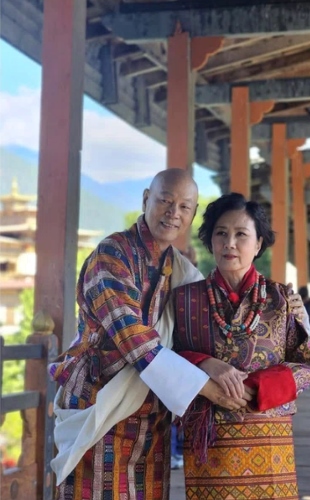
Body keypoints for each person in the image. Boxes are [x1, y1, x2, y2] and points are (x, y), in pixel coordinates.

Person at [48, 169, 248, 500]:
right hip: (100, 405)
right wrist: (206, 387)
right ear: (146, 200)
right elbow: (133, 338)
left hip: (152, 416)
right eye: (165, 201)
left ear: (193, 214)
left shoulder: (180, 270)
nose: (174, 213)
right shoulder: (112, 255)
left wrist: (280, 304)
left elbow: (209, 324)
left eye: (184, 207)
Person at [171, 192, 310, 499]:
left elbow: (306, 365)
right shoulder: (184, 300)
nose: (230, 243)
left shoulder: (282, 298)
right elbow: (163, 358)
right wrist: (205, 364)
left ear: (258, 244)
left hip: (268, 434)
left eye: (241, 234)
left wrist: (254, 388)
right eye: (221, 233)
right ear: (210, 241)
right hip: (210, 437)